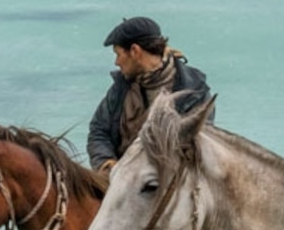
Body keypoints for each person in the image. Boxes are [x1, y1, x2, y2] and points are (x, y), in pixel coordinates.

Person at [86, 17, 211, 172]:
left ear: (135, 51)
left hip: (170, 184)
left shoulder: (194, 92)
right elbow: (98, 131)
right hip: (119, 179)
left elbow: (194, 147)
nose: (116, 62)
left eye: (118, 54)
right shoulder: (121, 86)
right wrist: (109, 165)